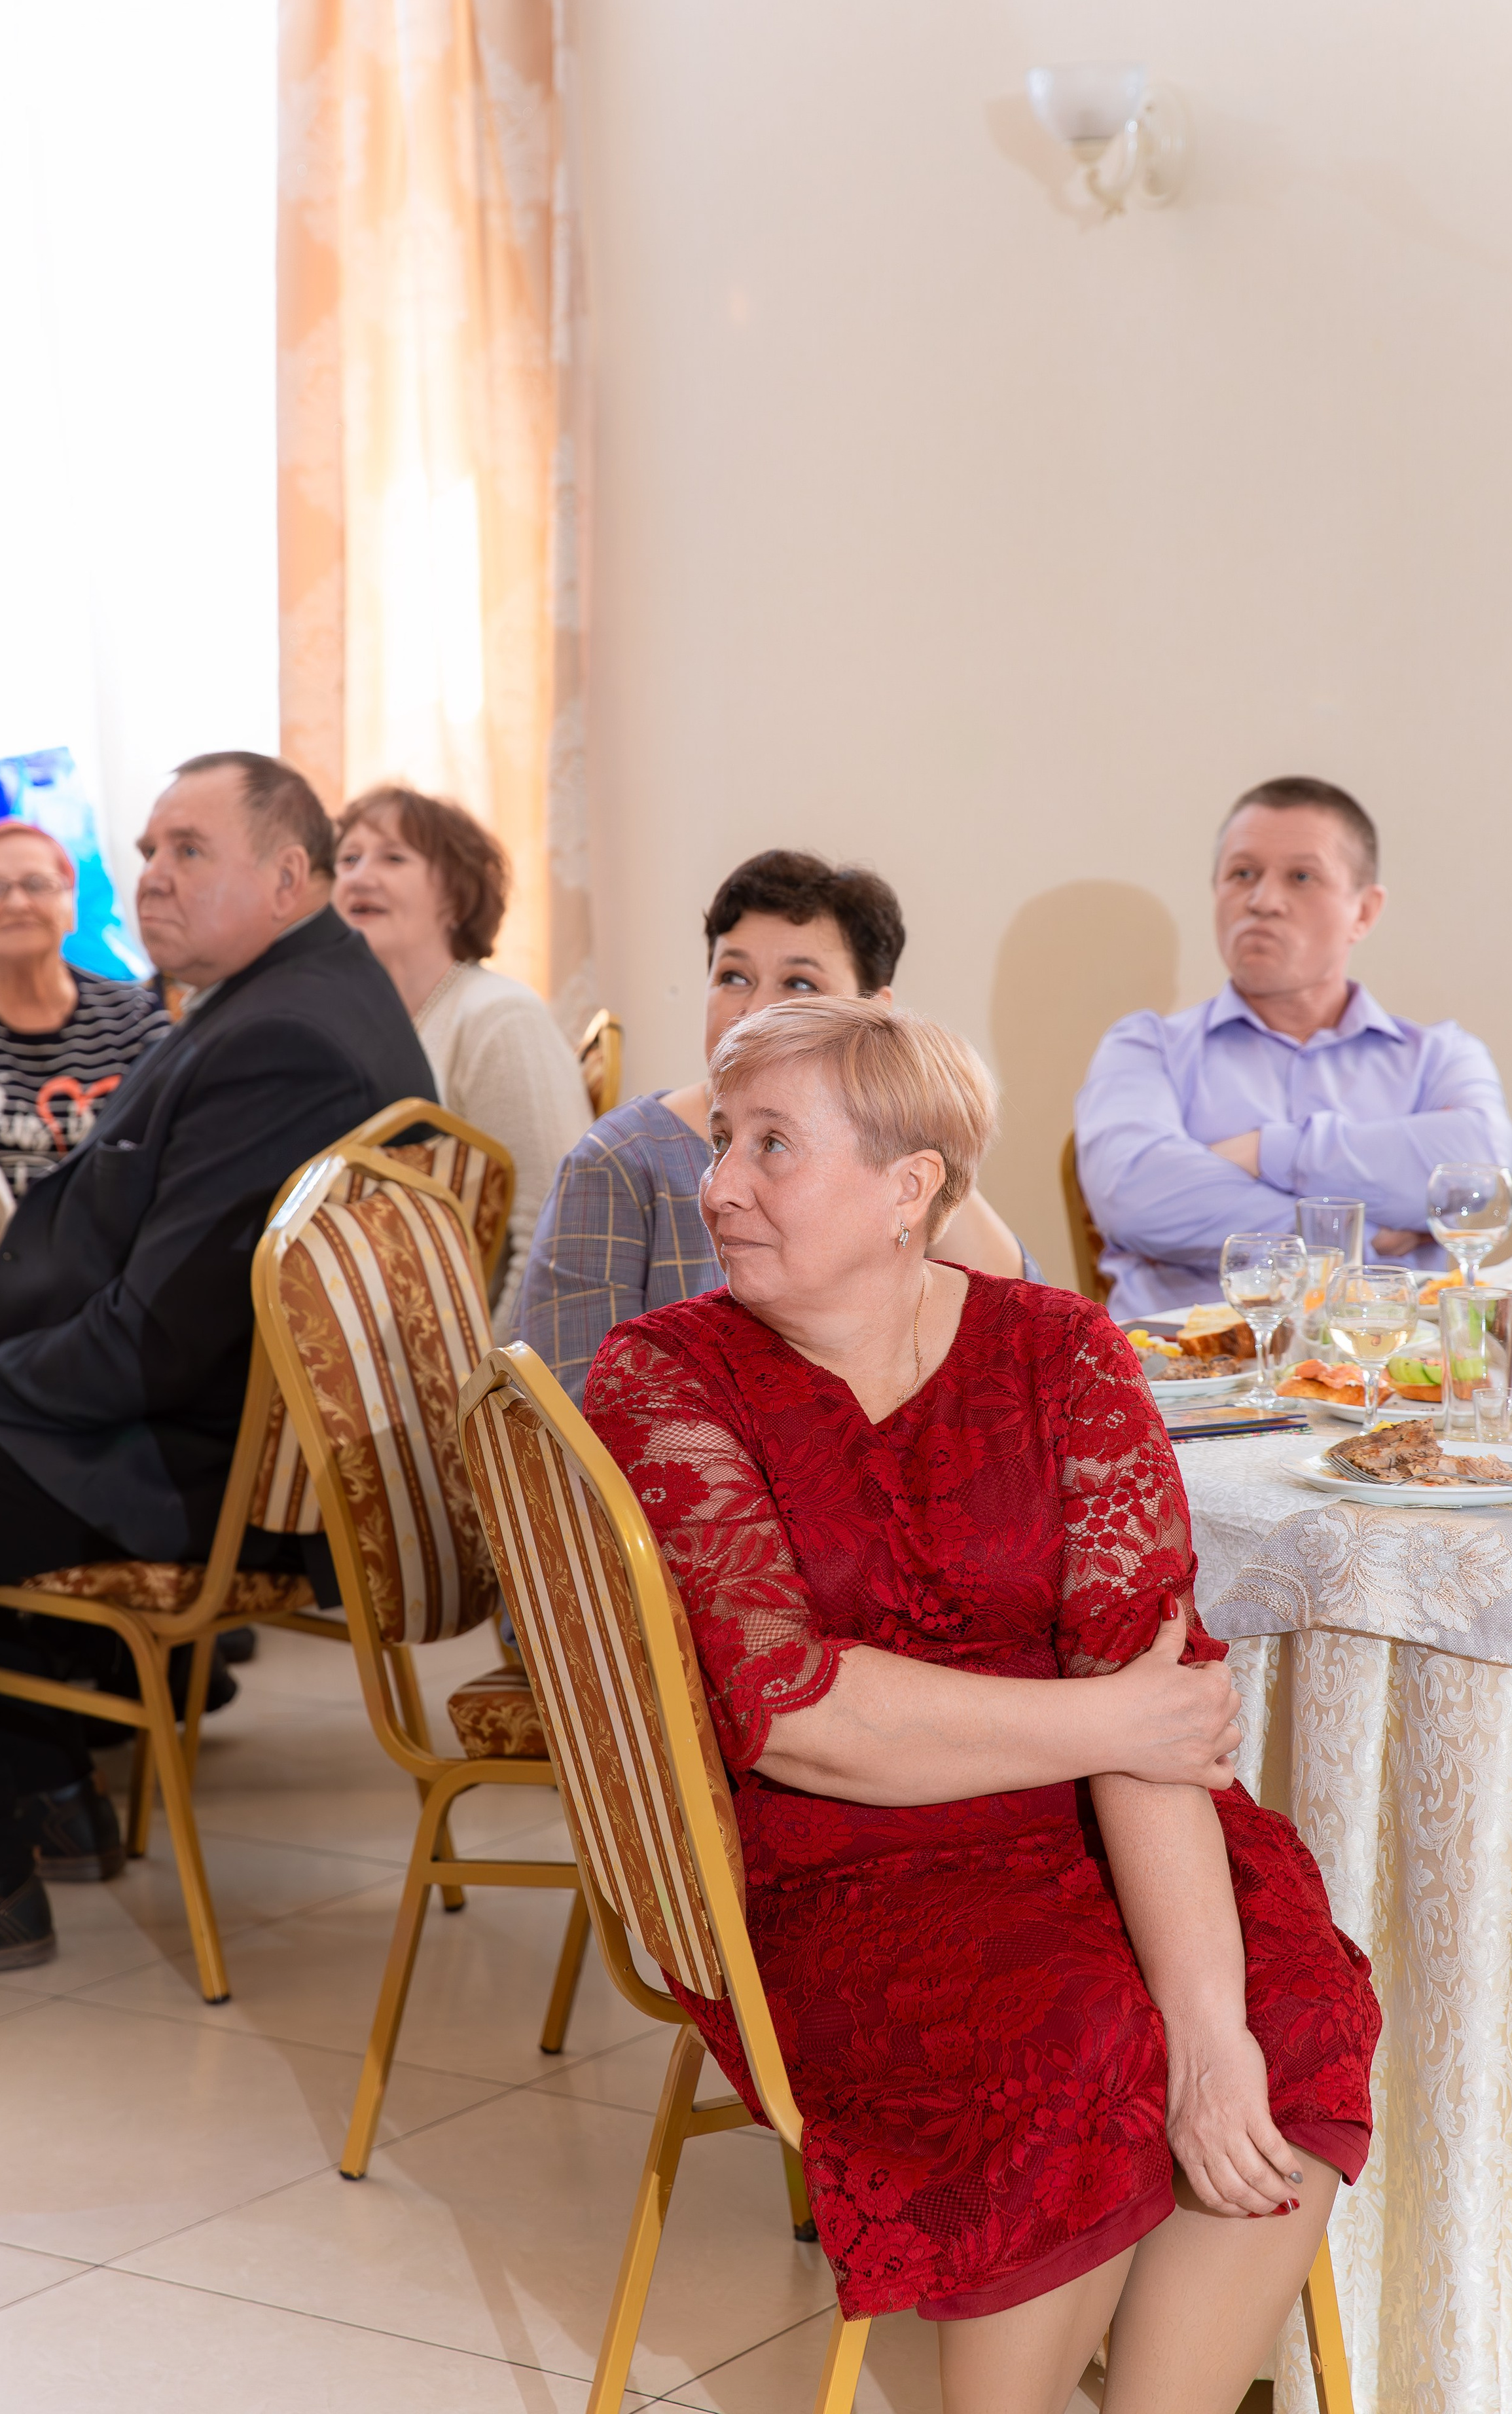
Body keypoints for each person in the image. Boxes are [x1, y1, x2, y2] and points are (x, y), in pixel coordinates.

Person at [585, 998, 1380, 2414]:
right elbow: (796, 1715)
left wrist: (1208, 2034)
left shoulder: (1065, 1354)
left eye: (772, 1145)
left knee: (1292, 2006)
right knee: (1073, 2035)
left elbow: (1153, 1718)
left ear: (910, 1189)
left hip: (1112, 1818)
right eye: (723, 1142)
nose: (716, 1185)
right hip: (832, 1861)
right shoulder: (662, 1374)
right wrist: (1106, 1727)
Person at [0, 750, 435, 1975]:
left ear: (288, 877)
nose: (149, 876)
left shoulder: (291, 1041)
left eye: (186, 851)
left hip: (200, 1471)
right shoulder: (285, 1001)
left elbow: (161, 1338)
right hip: (182, 1429)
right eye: (147, 850)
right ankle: (48, 1793)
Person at [519, 848, 1035, 1402]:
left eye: (800, 984)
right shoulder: (618, 1163)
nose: (755, 1010)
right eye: (733, 977)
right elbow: (566, 1423)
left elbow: (1019, 1334)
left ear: (876, 1013)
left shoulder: (893, 1162)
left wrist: (921, 1129)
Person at [1077, 776, 1512, 1318]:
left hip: (1391, 1383)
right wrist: (1367, 1234)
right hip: (1178, 1383)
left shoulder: (1440, 1057)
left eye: (1302, 876)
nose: (1262, 901)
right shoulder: (1145, 1048)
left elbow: (1480, 1187)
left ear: (1365, 911)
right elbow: (1137, 1197)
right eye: (1242, 874)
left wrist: (1267, 1151)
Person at [332, 784, 591, 1315]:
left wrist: (485, 1389)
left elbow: (561, 1226)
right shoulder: (357, 1028)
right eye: (347, 859)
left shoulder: (500, 1017)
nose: (359, 876)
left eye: (393, 857)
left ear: (455, 894)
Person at [0, 819, 169, 1197]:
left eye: (37, 884)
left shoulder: (135, 1017)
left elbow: (166, 1153)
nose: (18, 903)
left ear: (71, 906)